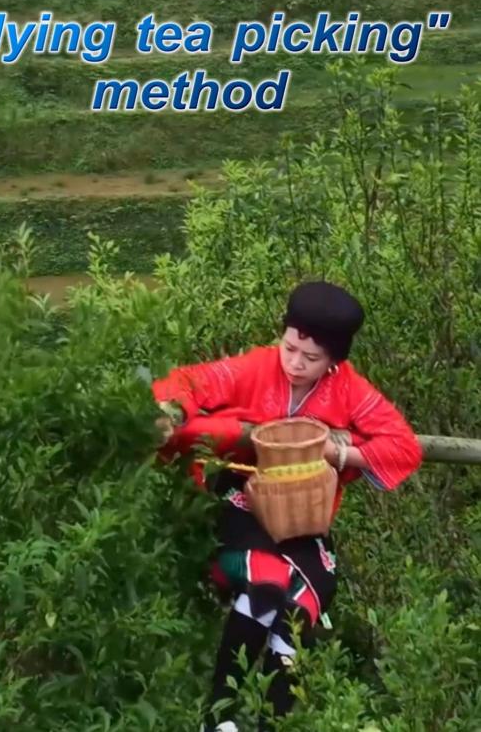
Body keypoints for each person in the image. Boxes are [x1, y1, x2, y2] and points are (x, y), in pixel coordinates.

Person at [152, 281, 423, 732]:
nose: (295, 363)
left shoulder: (350, 389)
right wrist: (173, 413)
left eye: (311, 357)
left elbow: (403, 446)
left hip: (302, 514)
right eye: (290, 347)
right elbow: (190, 382)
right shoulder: (256, 367)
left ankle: (269, 720)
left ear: (334, 361)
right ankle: (218, 716)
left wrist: (336, 452)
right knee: (267, 580)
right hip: (242, 496)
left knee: (305, 600)